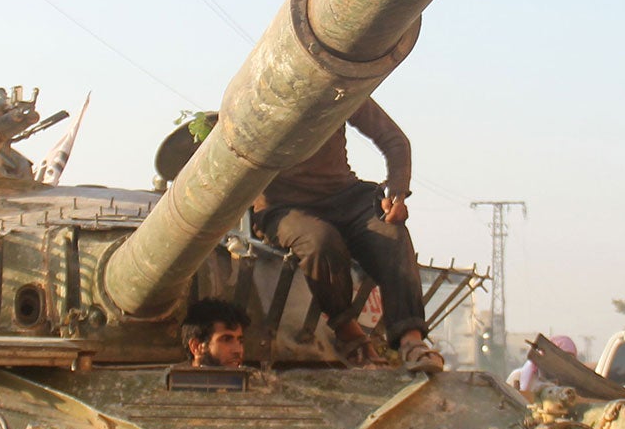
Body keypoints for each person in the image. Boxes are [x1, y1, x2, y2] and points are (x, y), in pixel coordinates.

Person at [252, 98, 444, 372]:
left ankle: (411, 340)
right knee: (320, 242)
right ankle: (348, 332)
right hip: (282, 207)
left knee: (391, 233)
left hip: (344, 195)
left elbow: (394, 140)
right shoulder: (255, 96)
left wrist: (397, 194)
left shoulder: (338, 87)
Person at [181, 297, 248, 369]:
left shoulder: (255, 378)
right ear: (196, 346)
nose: (238, 350)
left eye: (240, 341)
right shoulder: (173, 379)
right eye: (226, 340)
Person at [507, 334, 578, 396]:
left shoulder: (573, 387)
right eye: (563, 358)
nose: (566, 364)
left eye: (570, 360)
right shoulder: (518, 376)